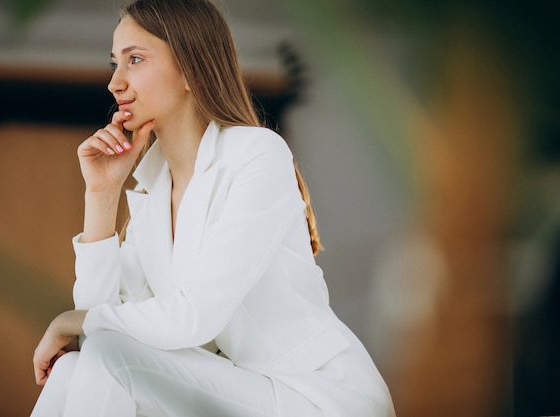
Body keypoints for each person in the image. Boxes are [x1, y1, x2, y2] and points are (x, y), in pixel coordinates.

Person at [30, 0, 395, 416]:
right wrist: (101, 195)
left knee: (111, 356)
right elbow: (98, 327)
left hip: (311, 395)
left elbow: (192, 318)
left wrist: (71, 321)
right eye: (115, 63)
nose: (115, 82)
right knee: (75, 365)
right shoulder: (153, 189)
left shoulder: (257, 154)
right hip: (233, 388)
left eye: (134, 59)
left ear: (191, 68)